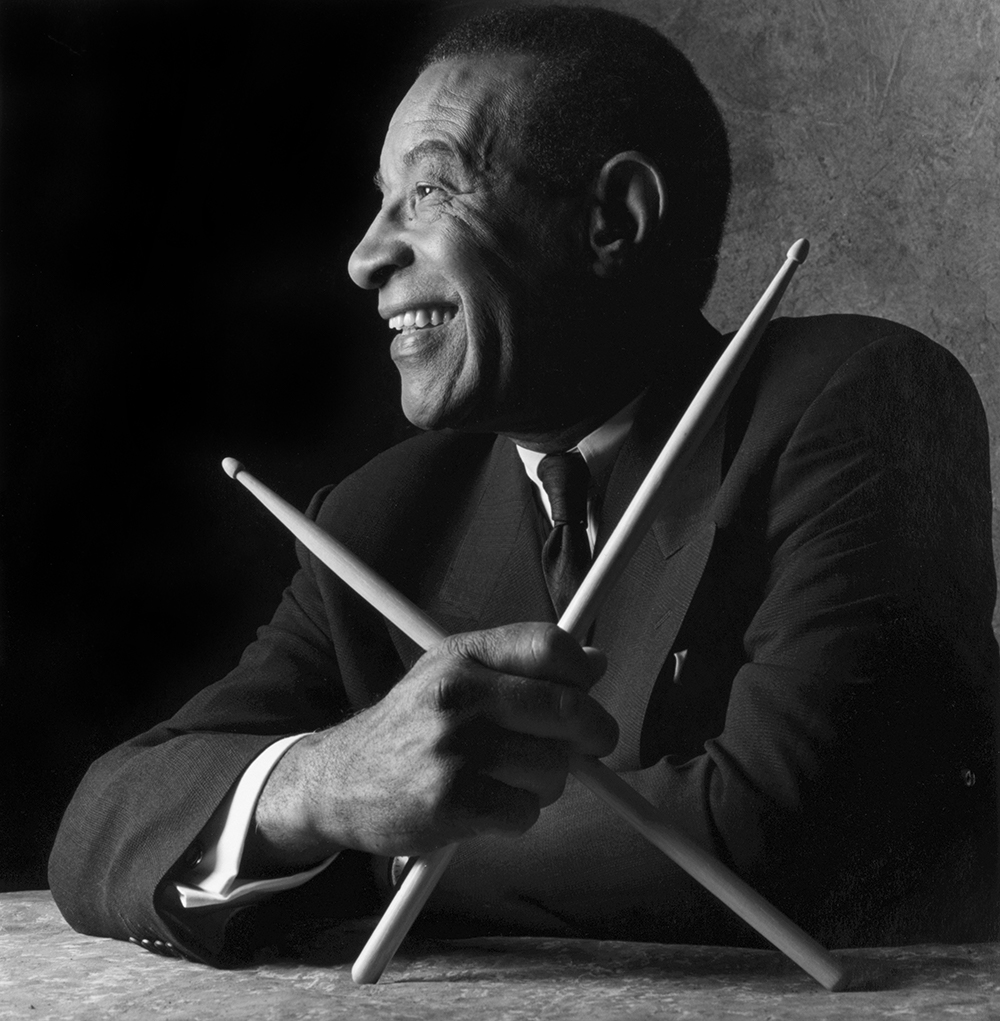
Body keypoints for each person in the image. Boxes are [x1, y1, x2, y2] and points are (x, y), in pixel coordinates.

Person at [49, 5, 998, 966]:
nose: (365, 256)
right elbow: (104, 826)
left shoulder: (858, 402)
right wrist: (326, 785)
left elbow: (780, 828)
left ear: (613, 218)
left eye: (428, 191)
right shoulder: (380, 516)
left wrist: (383, 845)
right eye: (380, 200)